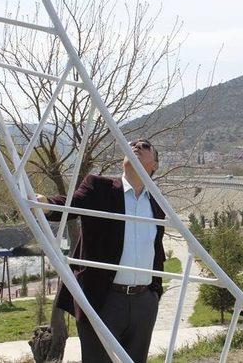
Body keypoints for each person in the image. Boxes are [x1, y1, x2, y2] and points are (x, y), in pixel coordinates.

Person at [36, 139, 165, 363]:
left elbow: (156, 249)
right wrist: (45, 203)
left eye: (145, 146)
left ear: (154, 164)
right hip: (103, 299)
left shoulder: (157, 204)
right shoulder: (99, 187)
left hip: (144, 301)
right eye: (132, 143)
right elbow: (70, 206)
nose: (136, 146)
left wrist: (154, 293)